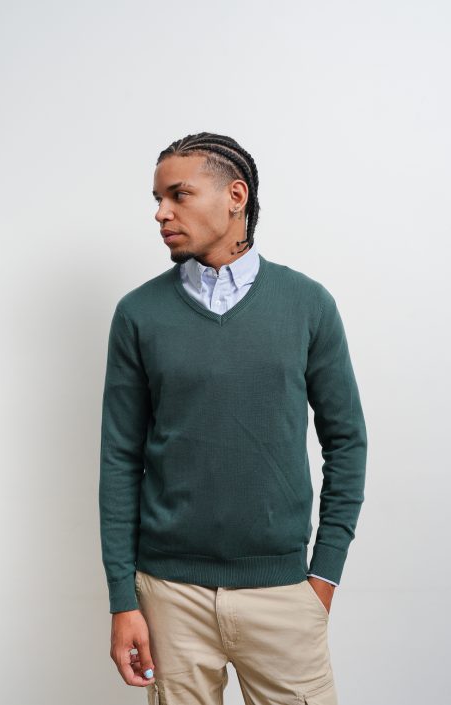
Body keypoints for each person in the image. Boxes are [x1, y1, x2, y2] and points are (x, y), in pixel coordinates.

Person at [99, 131, 368, 704]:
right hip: (169, 595)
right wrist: (124, 598)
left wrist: (323, 576)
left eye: (178, 195)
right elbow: (119, 459)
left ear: (235, 196)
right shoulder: (139, 314)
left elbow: (346, 441)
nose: (161, 213)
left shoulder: (307, 304)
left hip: (283, 592)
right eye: (157, 198)